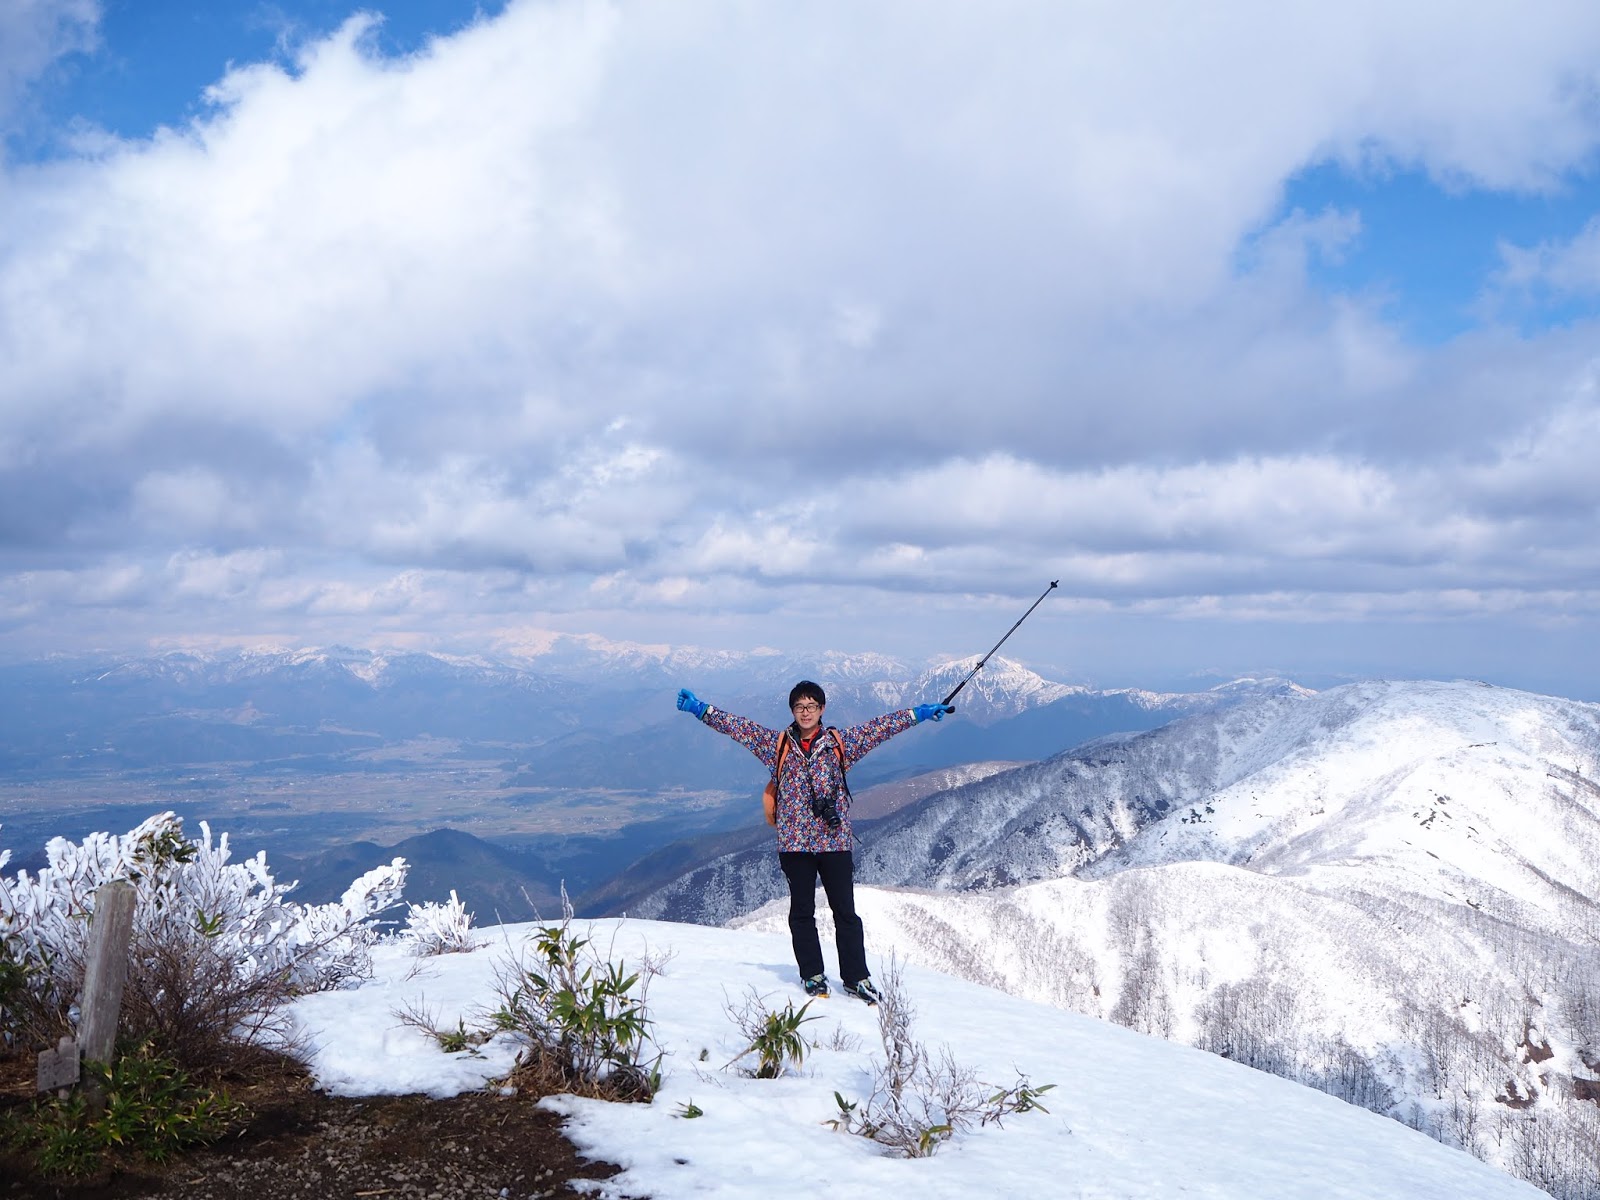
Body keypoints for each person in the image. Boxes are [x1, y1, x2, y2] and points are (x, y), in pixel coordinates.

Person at [675, 679, 952, 1002]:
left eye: (811, 706)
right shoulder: (777, 746)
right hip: (794, 844)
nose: (805, 712)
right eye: (799, 706)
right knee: (802, 912)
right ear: (792, 711)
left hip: (833, 842)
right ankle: (813, 975)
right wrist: (701, 710)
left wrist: (919, 714)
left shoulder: (838, 744)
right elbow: (739, 728)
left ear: (821, 709)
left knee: (845, 913)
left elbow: (881, 728)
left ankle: (856, 978)